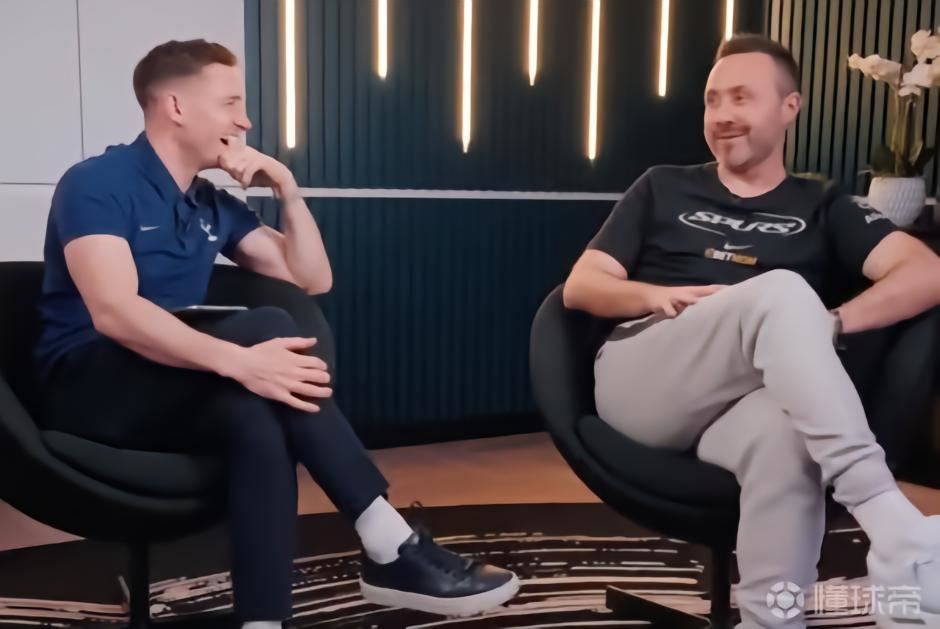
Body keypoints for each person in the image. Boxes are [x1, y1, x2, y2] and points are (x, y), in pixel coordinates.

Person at [33, 39, 519, 629]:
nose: (245, 122)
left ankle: (264, 621)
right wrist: (240, 361)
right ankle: (388, 541)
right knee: (265, 328)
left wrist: (285, 187)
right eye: (231, 103)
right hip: (89, 386)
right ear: (176, 106)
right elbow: (114, 312)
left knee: (256, 413)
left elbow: (310, 279)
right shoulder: (95, 182)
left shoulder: (210, 203)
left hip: (170, 383)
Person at [563, 34, 940, 629]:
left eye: (741, 97)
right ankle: (887, 518)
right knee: (781, 290)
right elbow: (582, 285)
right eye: (712, 100)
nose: (721, 115)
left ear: (790, 107)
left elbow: (927, 273)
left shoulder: (823, 204)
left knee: (788, 439)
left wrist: (828, 323)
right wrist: (655, 296)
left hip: (741, 403)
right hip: (644, 375)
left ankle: (771, 619)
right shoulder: (662, 185)